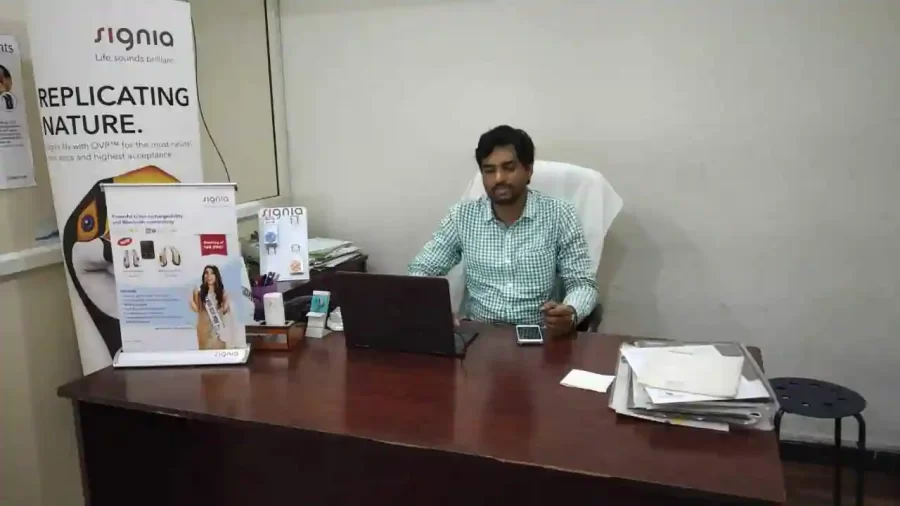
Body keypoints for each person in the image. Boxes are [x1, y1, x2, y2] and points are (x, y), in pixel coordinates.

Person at [408, 125, 597, 337]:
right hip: (480, 335)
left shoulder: (559, 214)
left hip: (538, 335)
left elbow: (582, 284)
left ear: (528, 170)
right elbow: (421, 270)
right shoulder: (462, 217)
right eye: (489, 170)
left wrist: (570, 312)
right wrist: (433, 308)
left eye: (509, 168)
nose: (499, 178)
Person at [190, 265, 231, 350]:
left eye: (212, 273)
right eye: (206, 273)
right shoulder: (199, 293)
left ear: (216, 276)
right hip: (203, 330)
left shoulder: (223, 293)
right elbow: (197, 309)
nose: (209, 276)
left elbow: (225, 310)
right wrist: (191, 298)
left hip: (217, 331)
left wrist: (226, 303)